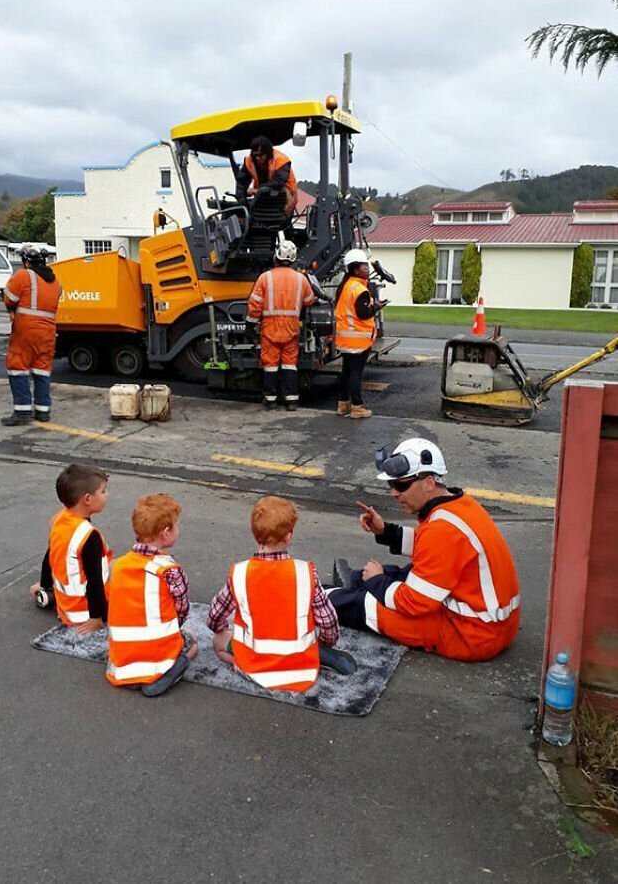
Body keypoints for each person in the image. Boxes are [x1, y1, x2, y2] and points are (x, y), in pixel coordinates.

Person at [326, 438, 521, 662]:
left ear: (429, 483)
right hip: (493, 624)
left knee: (367, 605)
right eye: (392, 485)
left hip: (470, 634)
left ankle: (317, 597)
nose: (394, 493)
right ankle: (355, 581)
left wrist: (376, 582)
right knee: (399, 573)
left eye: (401, 485)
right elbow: (431, 549)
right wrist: (384, 531)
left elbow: (413, 603)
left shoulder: (442, 529)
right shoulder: (460, 505)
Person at [207, 495, 355, 692]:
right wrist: (326, 642)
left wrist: (221, 629)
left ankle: (245, 667)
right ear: (288, 536)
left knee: (219, 642)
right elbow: (328, 620)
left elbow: (215, 614)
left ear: (255, 534)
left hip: (256, 663)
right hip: (302, 667)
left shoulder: (240, 573)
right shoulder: (305, 572)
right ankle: (318, 653)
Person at [106, 493, 198, 697]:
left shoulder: (118, 566)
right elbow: (181, 609)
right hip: (158, 654)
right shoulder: (169, 569)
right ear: (166, 533)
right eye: (176, 525)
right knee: (192, 644)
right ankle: (164, 675)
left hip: (122, 663)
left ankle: (135, 675)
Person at [29, 463, 113, 635]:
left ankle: (48, 594)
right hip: (85, 612)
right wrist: (96, 619)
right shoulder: (89, 536)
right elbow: (95, 581)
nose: (107, 495)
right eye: (103, 491)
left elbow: (50, 557)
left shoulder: (58, 520)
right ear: (87, 499)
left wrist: (45, 585)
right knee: (133, 577)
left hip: (65, 605)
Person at [246, 236, 316, 410]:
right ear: (293, 260)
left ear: (276, 257)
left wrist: (249, 325)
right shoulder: (301, 279)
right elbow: (309, 300)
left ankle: (270, 400)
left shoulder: (265, 278)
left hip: (270, 329)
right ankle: (291, 401)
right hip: (291, 329)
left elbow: (255, 305)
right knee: (289, 364)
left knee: (270, 365)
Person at [1, 244, 62, 426]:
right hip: (48, 332)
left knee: (17, 366)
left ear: (27, 262)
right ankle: (43, 411)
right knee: (42, 369)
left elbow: (9, 299)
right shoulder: (56, 282)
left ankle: (22, 411)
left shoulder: (23, 275)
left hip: (26, 330)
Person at [334, 248, 382, 420]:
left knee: (346, 372)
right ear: (355, 269)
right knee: (356, 374)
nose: (367, 268)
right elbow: (363, 313)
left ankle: (343, 404)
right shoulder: (360, 289)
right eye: (364, 266)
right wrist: (375, 307)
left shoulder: (346, 286)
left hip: (346, 339)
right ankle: (357, 407)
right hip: (358, 340)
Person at [235, 135, 298, 215]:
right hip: (262, 199)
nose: (258, 158)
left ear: (268, 152)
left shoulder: (281, 160)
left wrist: (257, 190)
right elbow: (241, 181)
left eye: (261, 155)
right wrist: (241, 200)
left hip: (285, 199)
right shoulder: (249, 161)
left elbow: (278, 183)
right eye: (255, 155)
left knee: (280, 221)